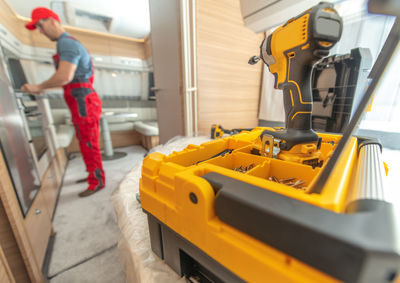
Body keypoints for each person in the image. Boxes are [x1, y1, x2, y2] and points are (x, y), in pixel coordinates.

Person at [22, 7, 105, 197]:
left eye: (40, 26)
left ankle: (97, 181)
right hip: (79, 99)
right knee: (85, 141)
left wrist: (39, 86)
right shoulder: (65, 44)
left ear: (53, 21)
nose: (40, 32)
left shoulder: (66, 44)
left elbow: (64, 76)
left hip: (83, 100)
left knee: (89, 142)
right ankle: (93, 174)